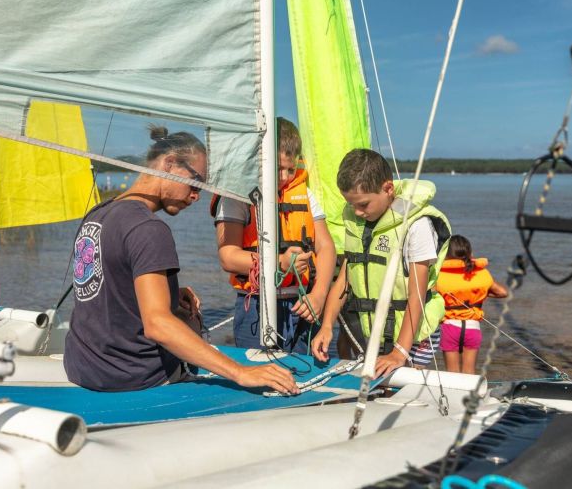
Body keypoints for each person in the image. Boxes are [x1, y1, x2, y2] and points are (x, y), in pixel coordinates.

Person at [64, 125, 297, 395]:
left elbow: (109, 285)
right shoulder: (148, 228)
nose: (197, 196)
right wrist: (241, 373)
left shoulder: (98, 214)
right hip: (133, 377)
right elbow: (158, 325)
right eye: (195, 183)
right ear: (170, 164)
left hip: (83, 368)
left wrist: (170, 290)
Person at [311, 149, 451, 377]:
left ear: (387, 189)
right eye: (351, 204)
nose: (357, 211)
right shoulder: (358, 223)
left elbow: (416, 296)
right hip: (377, 332)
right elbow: (344, 280)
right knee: (376, 391)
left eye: (363, 204)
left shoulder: (417, 226)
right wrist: (326, 326)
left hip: (414, 338)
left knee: (398, 394)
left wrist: (400, 351)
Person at [211, 117, 336, 353]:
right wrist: (279, 263)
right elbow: (228, 257)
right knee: (258, 376)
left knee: (300, 374)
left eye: (291, 169)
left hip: (300, 303)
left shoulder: (304, 194)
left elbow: (327, 247)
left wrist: (319, 295)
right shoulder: (236, 197)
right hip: (255, 306)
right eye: (278, 169)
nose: (285, 177)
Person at [436, 235, 508, 374]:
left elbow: (430, 295)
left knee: (452, 373)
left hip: (450, 327)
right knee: (469, 372)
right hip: (472, 328)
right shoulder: (480, 273)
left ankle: (453, 396)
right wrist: (481, 294)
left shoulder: (440, 275)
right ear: (470, 253)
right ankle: (470, 396)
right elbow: (503, 293)